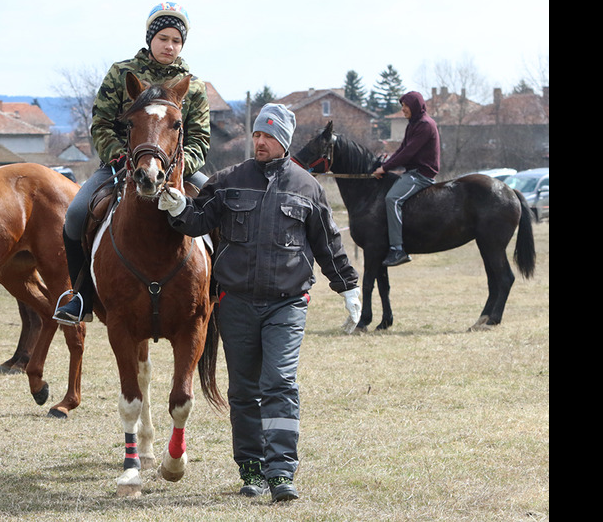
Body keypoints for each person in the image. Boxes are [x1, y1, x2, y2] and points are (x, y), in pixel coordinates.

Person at [157, 104, 361, 502]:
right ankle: (251, 470)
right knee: (244, 390)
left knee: (280, 383)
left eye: (267, 136)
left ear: (283, 140)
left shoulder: (307, 187)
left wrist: (347, 286)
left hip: (287, 304)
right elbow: (199, 220)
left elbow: (327, 242)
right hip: (235, 303)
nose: (259, 141)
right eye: (256, 135)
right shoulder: (228, 180)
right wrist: (179, 210)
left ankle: (281, 472)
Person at [53, 1, 211, 325]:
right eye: (164, 38)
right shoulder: (121, 72)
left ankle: (221, 292)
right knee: (76, 214)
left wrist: (177, 166)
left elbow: (200, 137)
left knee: (224, 211)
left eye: (176, 41)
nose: (170, 46)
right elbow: (101, 124)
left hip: (178, 167)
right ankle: (81, 295)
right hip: (124, 164)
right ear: (150, 38)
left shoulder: (192, 85)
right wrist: (120, 156)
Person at [372, 91, 440, 266]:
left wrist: (385, 168)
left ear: (415, 105)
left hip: (421, 175)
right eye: (402, 106)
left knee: (392, 199)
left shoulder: (425, 125)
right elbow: (402, 149)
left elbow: (408, 153)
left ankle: (397, 249)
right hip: (411, 172)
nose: (403, 110)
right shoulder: (414, 124)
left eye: (405, 106)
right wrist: (385, 163)